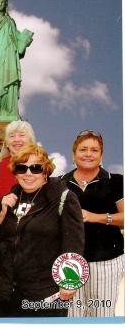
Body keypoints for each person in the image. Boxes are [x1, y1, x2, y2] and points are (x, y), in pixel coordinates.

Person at [0, 144, 84, 317]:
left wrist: (70, 281)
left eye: (36, 168)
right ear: (15, 173)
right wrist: (1, 213)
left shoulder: (63, 198)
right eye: (22, 168)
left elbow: (74, 243)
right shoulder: (8, 199)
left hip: (45, 293)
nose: (28, 173)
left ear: (45, 172)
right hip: (7, 294)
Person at [61, 130, 124, 317]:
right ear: (74, 155)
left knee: (101, 314)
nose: (88, 154)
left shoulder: (116, 181)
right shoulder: (60, 184)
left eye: (94, 150)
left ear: (101, 155)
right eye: (83, 149)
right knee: (72, 316)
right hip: (70, 262)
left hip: (106, 261)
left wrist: (95, 217)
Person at [0, 120, 37, 217]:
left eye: (22, 135)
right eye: (12, 136)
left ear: (31, 141)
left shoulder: (40, 168)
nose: (17, 140)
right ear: (6, 143)